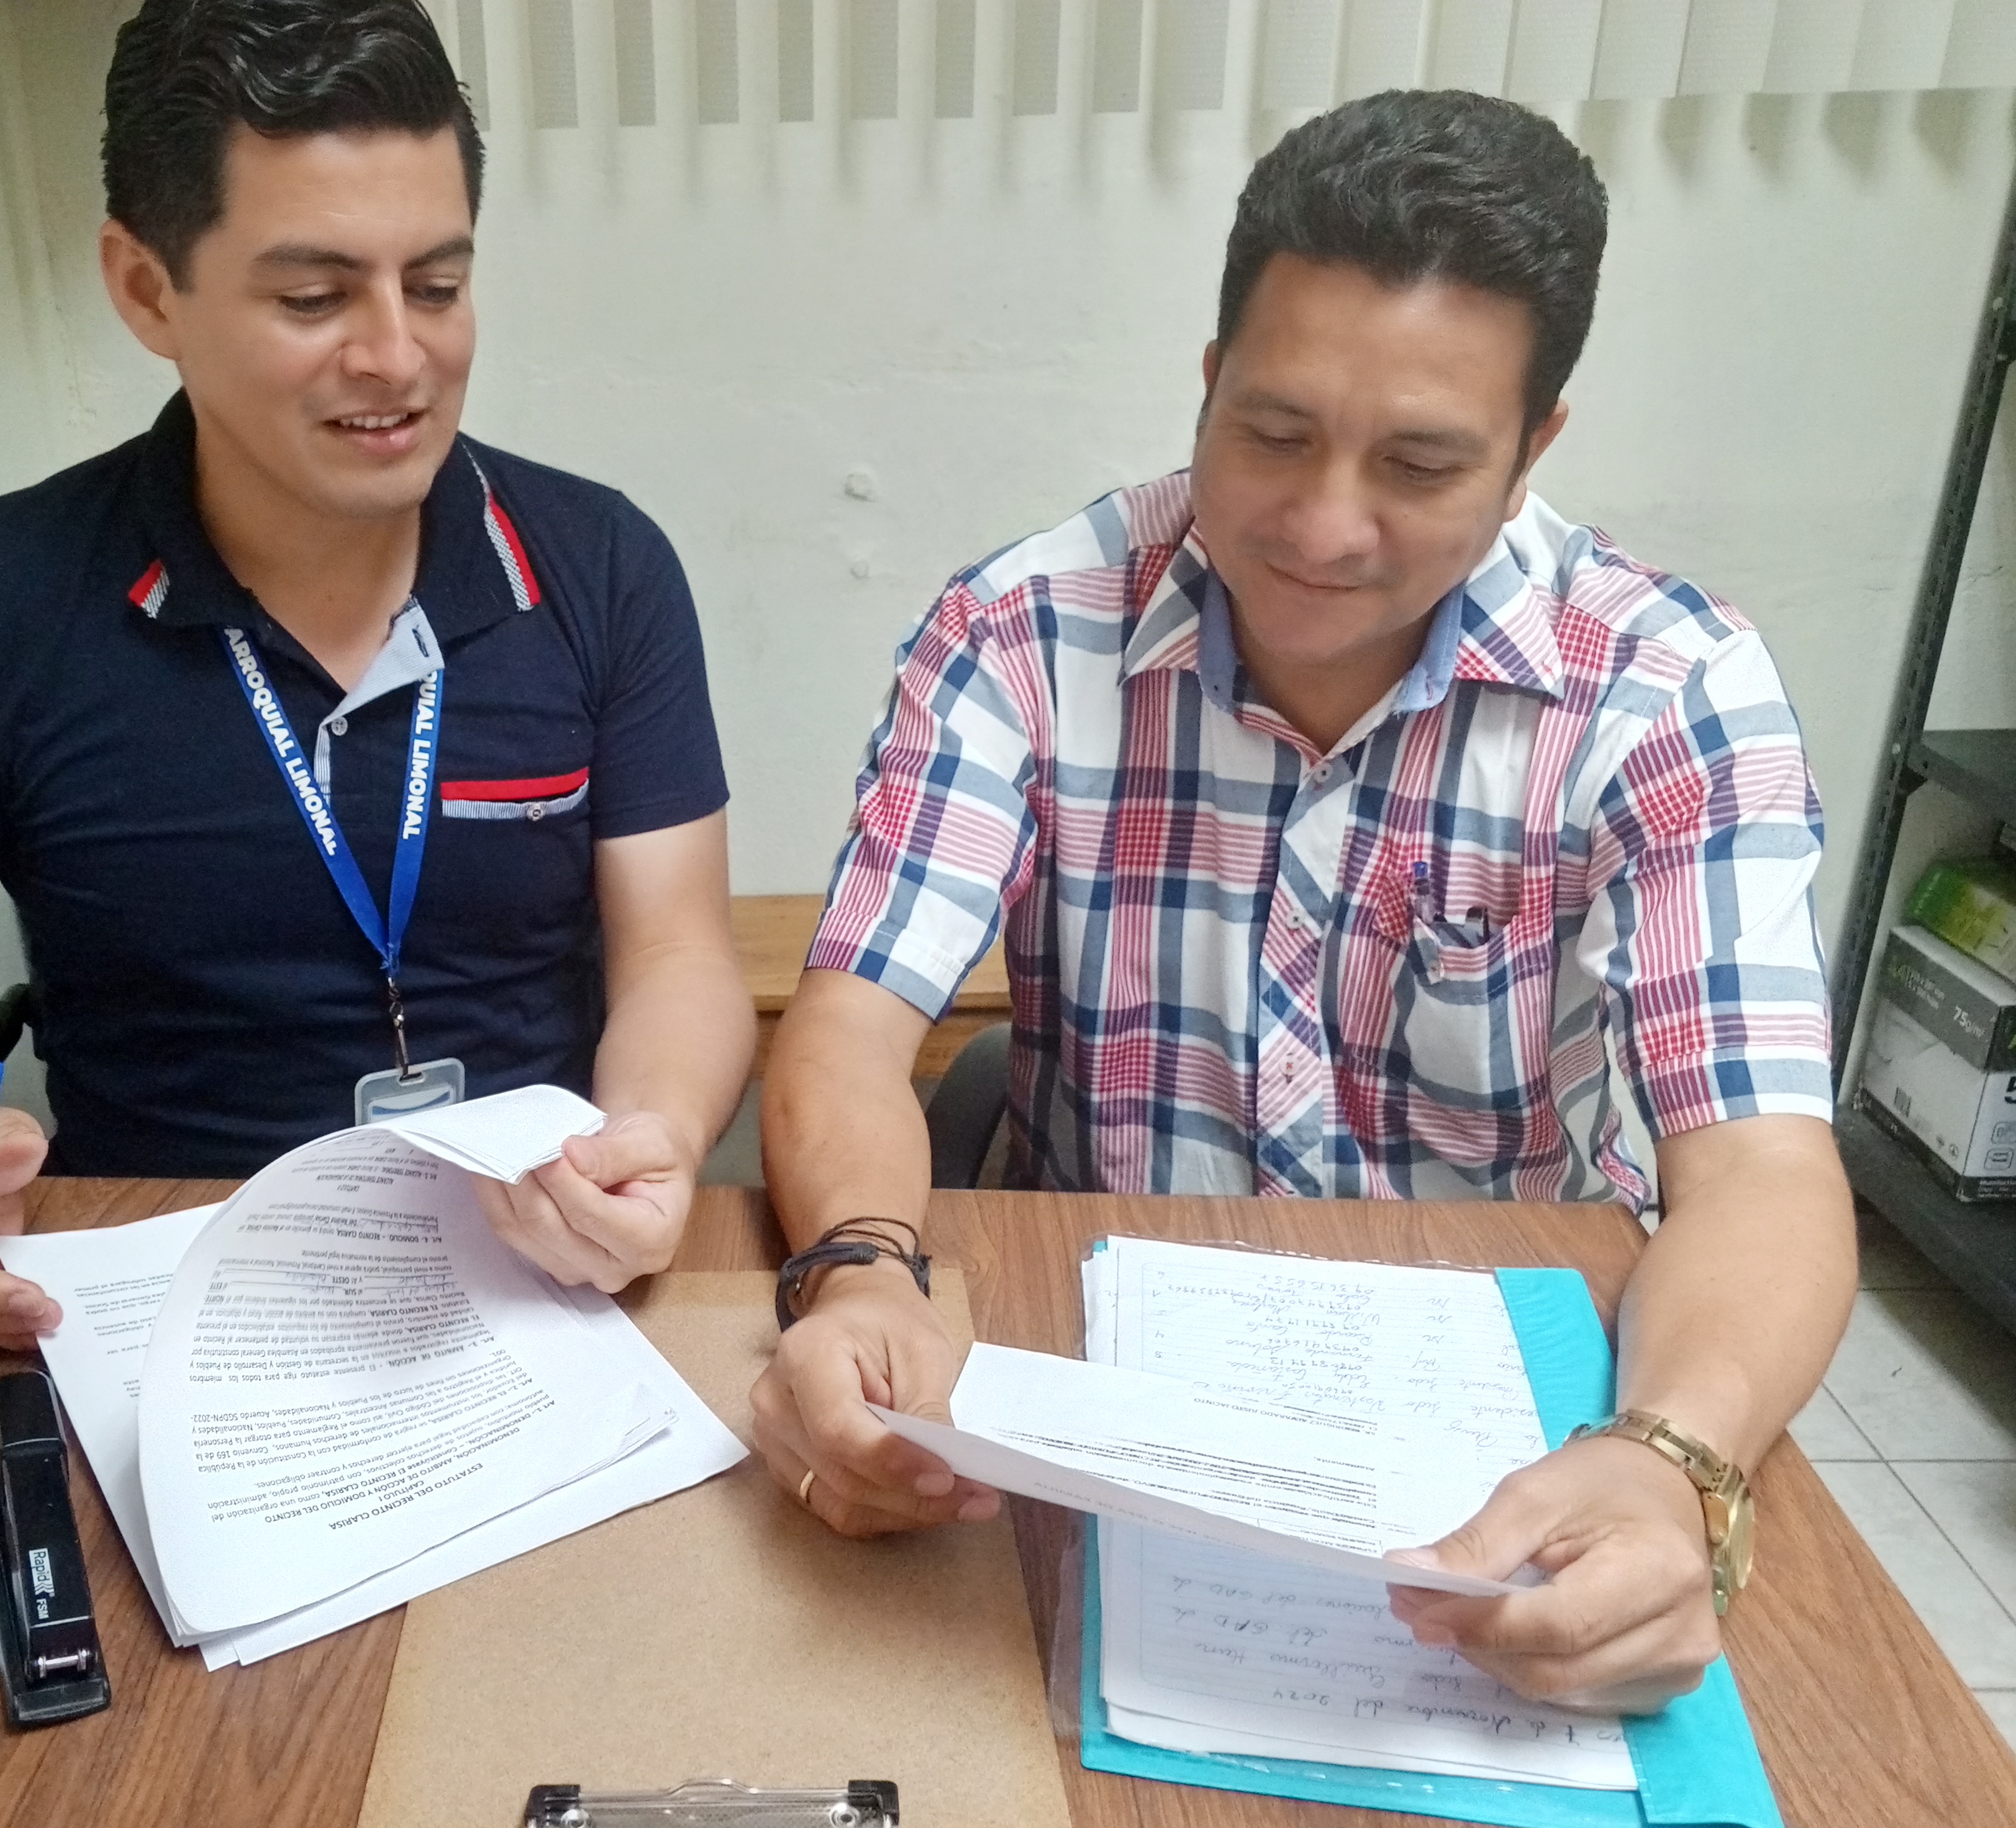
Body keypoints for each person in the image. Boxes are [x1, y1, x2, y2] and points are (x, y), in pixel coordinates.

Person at [751, 91, 1854, 1715]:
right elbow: (852, 1025)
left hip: (1497, 1394)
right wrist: (858, 1273)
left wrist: (1669, 1455)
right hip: (1083, 1370)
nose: (1323, 527)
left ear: (1533, 449)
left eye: (1419, 464)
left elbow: (1761, 1164)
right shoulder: (1026, 631)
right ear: (1208, 381)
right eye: (1272, 434)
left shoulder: (1667, 688)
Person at [0, 0, 751, 1346]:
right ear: (146, 288)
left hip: (529, 1276)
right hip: (157, 1289)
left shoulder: (599, 566)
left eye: (436, 286)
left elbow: (676, 951)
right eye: (313, 298)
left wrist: (656, 1135)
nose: (396, 357)